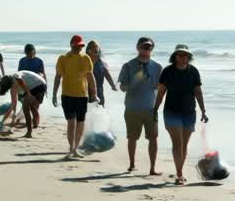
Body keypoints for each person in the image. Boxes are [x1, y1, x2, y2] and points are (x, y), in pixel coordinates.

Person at [154, 44, 207, 185]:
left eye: (185, 55)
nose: (183, 58)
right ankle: (179, 174)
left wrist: (203, 111)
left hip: (189, 112)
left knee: (184, 145)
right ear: (175, 56)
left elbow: (198, 92)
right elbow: (161, 92)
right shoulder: (167, 71)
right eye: (180, 55)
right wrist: (155, 110)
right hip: (171, 111)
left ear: (189, 57)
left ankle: (179, 172)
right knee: (178, 143)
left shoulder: (193, 71)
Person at [117, 37, 163, 175]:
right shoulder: (128, 65)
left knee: (153, 138)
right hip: (132, 108)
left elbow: (161, 87)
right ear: (138, 47)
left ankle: (152, 169)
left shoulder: (157, 67)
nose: (146, 49)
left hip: (151, 108)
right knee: (132, 138)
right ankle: (131, 165)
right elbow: (122, 87)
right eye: (144, 46)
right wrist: (135, 81)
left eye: (149, 47)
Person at [52, 35, 96, 160]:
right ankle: (71, 148)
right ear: (71, 44)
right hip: (67, 95)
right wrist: (54, 94)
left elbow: (90, 77)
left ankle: (75, 148)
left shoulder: (86, 58)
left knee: (80, 123)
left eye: (81, 46)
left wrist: (95, 93)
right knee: (71, 123)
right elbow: (57, 77)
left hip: (82, 96)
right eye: (77, 45)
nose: (80, 48)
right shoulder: (63, 58)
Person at [0, 71, 47, 138]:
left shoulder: (15, 76)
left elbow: (21, 81)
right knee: (32, 107)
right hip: (41, 85)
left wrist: (29, 94)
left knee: (26, 108)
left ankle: (29, 132)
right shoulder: (13, 83)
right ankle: (34, 126)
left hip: (37, 86)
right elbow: (14, 102)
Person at [87, 40, 116, 107]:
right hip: (86, 93)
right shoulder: (84, 63)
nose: (95, 54)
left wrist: (113, 86)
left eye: (97, 51)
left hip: (99, 93)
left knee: (100, 111)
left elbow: (108, 75)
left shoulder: (102, 64)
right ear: (89, 51)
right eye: (93, 51)